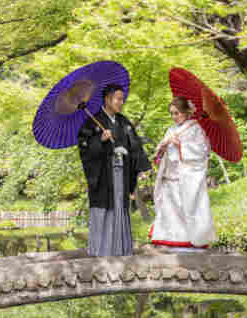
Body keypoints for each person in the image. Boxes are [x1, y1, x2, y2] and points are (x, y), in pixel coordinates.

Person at [78, 84, 151, 257]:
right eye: (118, 99)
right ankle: (101, 250)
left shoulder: (123, 122)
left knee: (120, 207)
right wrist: (100, 140)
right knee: (105, 208)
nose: (121, 102)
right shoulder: (91, 122)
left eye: (122, 99)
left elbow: (135, 145)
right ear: (107, 99)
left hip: (122, 173)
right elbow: (84, 149)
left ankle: (121, 249)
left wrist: (141, 167)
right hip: (103, 175)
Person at [149, 96, 216, 250]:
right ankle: (170, 240)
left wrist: (181, 145)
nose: (174, 117)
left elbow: (203, 151)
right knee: (170, 210)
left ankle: (188, 240)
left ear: (186, 112)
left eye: (177, 113)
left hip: (186, 176)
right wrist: (163, 145)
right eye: (172, 113)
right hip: (169, 175)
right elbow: (159, 154)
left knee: (186, 207)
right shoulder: (170, 130)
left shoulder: (196, 129)